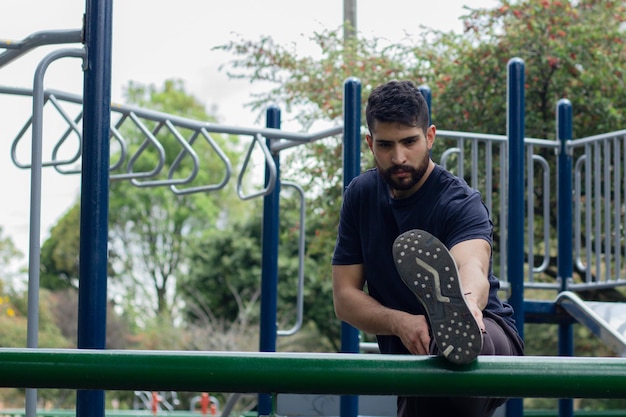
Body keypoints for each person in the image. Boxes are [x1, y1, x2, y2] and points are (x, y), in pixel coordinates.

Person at [331, 80, 524, 417]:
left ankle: (455, 328)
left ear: (430, 136)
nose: (399, 157)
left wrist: (469, 305)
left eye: (410, 142)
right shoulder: (360, 196)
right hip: (414, 361)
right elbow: (345, 299)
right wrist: (399, 322)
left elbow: (472, 267)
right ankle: (444, 341)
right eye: (386, 145)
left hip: (490, 335)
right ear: (370, 143)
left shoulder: (459, 202)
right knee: (430, 379)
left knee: (448, 353)